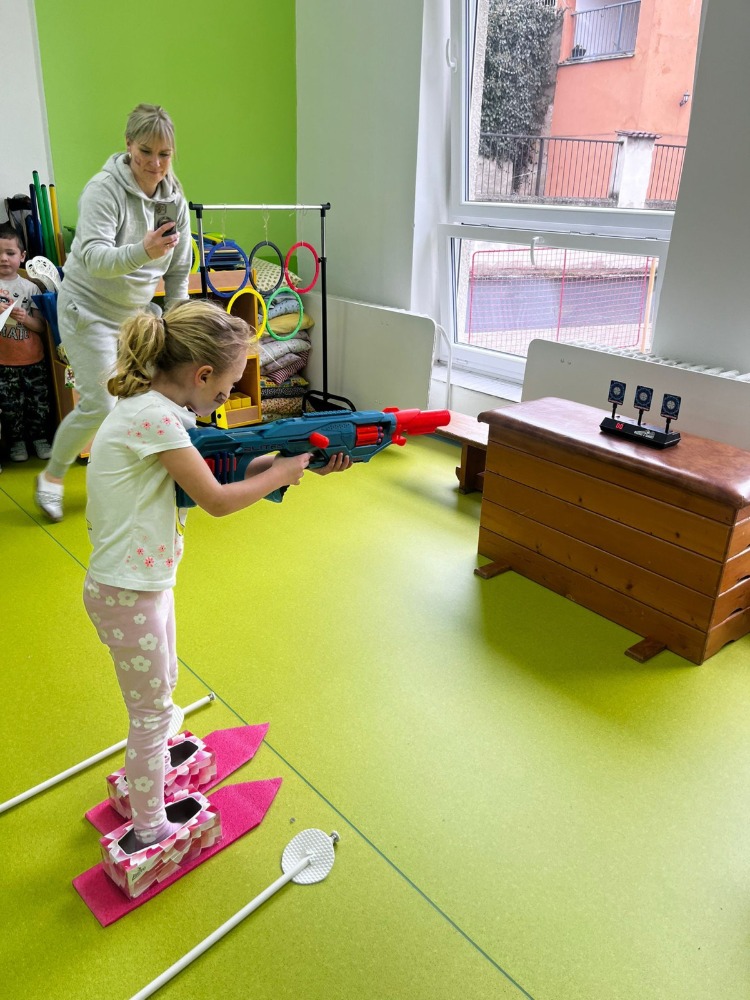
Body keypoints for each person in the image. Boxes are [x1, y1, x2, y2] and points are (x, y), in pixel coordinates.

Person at [82, 299, 351, 852]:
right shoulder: (157, 420)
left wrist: (293, 465)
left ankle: (152, 776)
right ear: (201, 375)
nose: (225, 400)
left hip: (141, 584)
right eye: (226, 390)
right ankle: (151, 826)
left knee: (163, 690)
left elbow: (216, 472)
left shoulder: (151, 410)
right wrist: (280, 471)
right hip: (127, 591)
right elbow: (217, 500)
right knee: (151, 714)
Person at [35, 103, 192, 523]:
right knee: (101, 404)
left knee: (156, 394)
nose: (155, 164)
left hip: (136, 314)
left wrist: (177, 321)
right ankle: (52, 476)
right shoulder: (103, 190)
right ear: (128, 145)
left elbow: (179, 270)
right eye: (146, 152)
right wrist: (144, 251)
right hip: (86, 308)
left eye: (164, 154)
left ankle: (139, 476)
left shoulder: (174, 199)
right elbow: (93, 258)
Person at [0, 223, 53, 471]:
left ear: (22, 256)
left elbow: (41, 327)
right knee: (10, 407)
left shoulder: (30, 288)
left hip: (33, 359)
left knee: (38, 403)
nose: (4, 258)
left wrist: (24, 318)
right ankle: (17, 443)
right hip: (4, 362)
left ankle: (40, 439)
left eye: (10, 253)